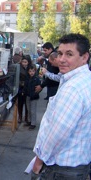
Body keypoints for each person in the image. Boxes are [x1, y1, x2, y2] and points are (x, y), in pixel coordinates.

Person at [31, 33, 91, 180]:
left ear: (84, 57)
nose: (62, 59)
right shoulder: (84, 79)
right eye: (60, 54)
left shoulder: (73, 89)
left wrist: (39, 161)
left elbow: (57, 133)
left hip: (62, 169)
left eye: (69, 54)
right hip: (77, 164)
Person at [24, 64, 41, 130]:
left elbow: (39, 88)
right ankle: (29, 121)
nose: (32, 73)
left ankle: (33, 123)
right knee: (29, 109)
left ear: (35, 71)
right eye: (30, 71)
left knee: (33, 110)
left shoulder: (37, 79)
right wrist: (24, 92)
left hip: (34, 97)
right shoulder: (27, 79)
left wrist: (35, 93)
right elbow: (25, 86)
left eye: (33, 71)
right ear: (28, 72)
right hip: (28, 96)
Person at [17, 55, 31, 123]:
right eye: (23, 62)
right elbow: (17, 77)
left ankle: (26, 117)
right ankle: (20, 116)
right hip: (21, 88)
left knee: (27, 104)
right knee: (20, 103)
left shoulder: (30, 68)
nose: (24, 63)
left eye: (25, 62)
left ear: (28, 62)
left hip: (28, 88)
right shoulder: (19, 67)